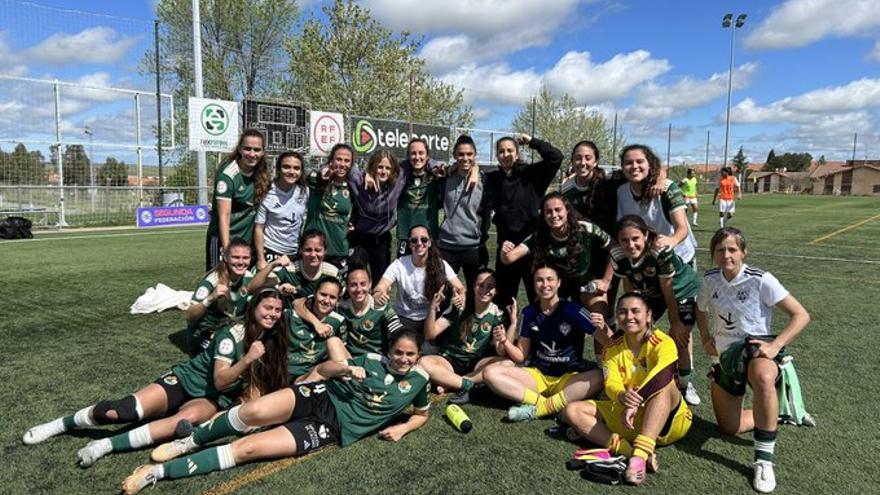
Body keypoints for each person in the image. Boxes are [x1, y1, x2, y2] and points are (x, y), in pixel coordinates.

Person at [122, 330, 431, 495]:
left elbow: (422, 414)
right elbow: (322, 370)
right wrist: (346, 367)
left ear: (418, 356)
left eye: (409, 354)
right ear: (390, 350)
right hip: (318, 395)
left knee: (248, 448)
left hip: (331, 427)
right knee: (252, 411)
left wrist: (403, 428)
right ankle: (188, 442)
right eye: (398, 352)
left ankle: (155, 474)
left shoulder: (420, 381)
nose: (402, 359)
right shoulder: (370, 360)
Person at [22, 289, 289, 467]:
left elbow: (228, 388)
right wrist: (248, 359)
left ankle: (104, 445)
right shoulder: (234, 335)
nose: (272, 314)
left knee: (181, 422)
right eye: (268, 308)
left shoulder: (271, 336)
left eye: (277, 310)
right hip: (186, 381)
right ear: (254, 307)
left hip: (212, 397)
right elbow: (221, 379)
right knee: (122, 412)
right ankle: (61, 424)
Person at [695, 228, 810, 493]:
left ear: (743, 252)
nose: (727, 255)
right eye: (720, 250)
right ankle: (778, 412)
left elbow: (801, 315)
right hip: (726, 357)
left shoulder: (761, 279)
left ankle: (763, 460)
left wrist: (776, 345)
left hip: (756, 349)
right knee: (729, 427)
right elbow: (700, 309)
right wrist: (704, 336)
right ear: (713, 254)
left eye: (732, 249)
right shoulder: (710, 279)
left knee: (763, 377)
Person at [562, 292, 693, 486]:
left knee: (666, 386)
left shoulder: (663, 342)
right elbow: (611, 384)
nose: (629, 316)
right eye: (622, 312)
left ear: (648, 315)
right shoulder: (611, 349)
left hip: (668, 423)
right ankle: (629, 451)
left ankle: (638, 458)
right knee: (572, 411)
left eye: (635, 311)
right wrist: (622, 395)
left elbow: (663, 374)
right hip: (628, 420)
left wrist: (636, 399)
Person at [482, 265, 607, 422]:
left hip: (568, 379)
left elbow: (607, 341)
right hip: (538, 377)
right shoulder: (528, 313)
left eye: (550, 279)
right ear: (534, 284)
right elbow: (521, 356)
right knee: (490, 373)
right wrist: (505, 342)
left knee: (599, 376)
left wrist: (605, 327)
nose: (545, 284)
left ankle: (539, 408)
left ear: (559, 282)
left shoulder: (574, 310)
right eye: (539, 280)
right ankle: (546, 406)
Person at [611, 215, 702, 406]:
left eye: (635, 238)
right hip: (652, 291)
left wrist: (676, 322)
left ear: (645, 235)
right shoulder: (618, 256)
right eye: (624, 240)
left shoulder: (660, 252)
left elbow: (668, 290)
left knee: (680, 337)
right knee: (637, 332)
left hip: (680, 289)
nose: (631, 244)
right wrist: (633, 315)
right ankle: (641, 375)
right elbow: (629, 284)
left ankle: (685, 384)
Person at [501, 193, 612, 317]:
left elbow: (614, 248)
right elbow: (509, 258)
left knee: (599, 316)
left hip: (586, 281)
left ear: (567, 210)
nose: (554, 215)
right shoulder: (540, 235)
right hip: (558, 285)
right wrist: (505, 250)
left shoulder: (586, 229)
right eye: (548, 212)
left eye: (558, 210)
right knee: (542, 315)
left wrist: (606, 280)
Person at [483, 134, 562, 305]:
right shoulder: (492, 178)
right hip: (506, 246)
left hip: (531, 245)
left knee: (537, 296)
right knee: (503, 298)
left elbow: (556, 157)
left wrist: (533, 142)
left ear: (517, 154)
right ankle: (505, 330)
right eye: (501, 151)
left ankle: (537, 331)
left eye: (510, 150)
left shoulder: (531, 174)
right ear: (496, 155)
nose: (506, 154)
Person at [420, 269, 518, 404]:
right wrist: (432, 308)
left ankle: (451, 382)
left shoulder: (497, 314)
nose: (484, 290)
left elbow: (500, 351)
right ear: (473, 287)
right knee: (423, 363)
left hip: (475, 365)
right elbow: (430, 334)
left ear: (496, 291)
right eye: (480, 285)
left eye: (490, 287)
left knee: (508, 363)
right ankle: (468, 385)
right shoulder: (460, 305)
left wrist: (512, 327)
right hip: (449, 360)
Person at [374, 225, 465, 334]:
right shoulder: (399, 264)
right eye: (414, 240)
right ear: (409, 244)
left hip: (431, 317)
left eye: (424, 239)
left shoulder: (440, 264)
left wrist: (461, 296)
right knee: (402, 344)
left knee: (439, 343)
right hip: (404, 317)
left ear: (430, 243)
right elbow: (381, 286)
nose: (419, 243)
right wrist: (379, 294)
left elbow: (460, 288)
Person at [617, 144, 697, 268]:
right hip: (647, 261)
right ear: (622, 167)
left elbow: (682, 228)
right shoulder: (621, 191)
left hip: (679, 258)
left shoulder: (667, 188)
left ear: (650, 164)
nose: (634, 166)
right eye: (628, 162)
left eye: (640, 161)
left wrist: (672, 240)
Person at [205, 129, 272, 271]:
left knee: (246, 286)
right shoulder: (228, 175)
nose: (252, 154)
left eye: (257, 150)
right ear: (240, 149)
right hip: (224, 239)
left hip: (247, 242)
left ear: (263, 152)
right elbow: (224, 215)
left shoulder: (262, 173)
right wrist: (227, 248)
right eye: (247, 149)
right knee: (220, 283)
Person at [303, 266, 402, 359]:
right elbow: (298, 303)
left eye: (363, 284)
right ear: (347, 286)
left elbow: (399, 332)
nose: (359, 289)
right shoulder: (340, 305)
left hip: (376, 360)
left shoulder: (381, 307)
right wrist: (316, 324)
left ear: (370, 284)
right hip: (350, 359)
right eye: (353, 285)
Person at [186, 237, 256, 355]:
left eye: (245, 258)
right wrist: (210, 298)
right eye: (235, 257)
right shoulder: (212, 281)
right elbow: (189, 316)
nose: (241, 262)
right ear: (226, 258)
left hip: (232, 329)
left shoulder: (249, 277)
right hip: (206, 334)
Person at [438, 134, 487, 293]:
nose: (465, 158)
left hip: (473, 247)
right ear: (454, 156)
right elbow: (426, 167)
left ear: (475, 155)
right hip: (447, 246)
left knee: (477, 295)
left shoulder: (485, 179)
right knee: (442, 294)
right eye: (460, 154)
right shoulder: (445, 177)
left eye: (469, 154)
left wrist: (476, 169)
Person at [247, 229, 339, 301]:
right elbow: (251, 288)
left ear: (325, 251)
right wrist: (272, 265)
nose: (313, 255)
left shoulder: (333, 273)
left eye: (318, 250)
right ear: (301, 251)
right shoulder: (289, 270)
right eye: (308, 250)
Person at [254, 151, 309, 270]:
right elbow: (259, 228)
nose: (291, 172)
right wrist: (261, 259)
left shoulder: (304, 191)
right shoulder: (267, 192)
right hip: (271, 250)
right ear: (278, 169)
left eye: (296, 168)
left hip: (294, 253)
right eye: (286, 167)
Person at [304, 143, 355, 270]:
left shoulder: (353, 187)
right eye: (338, 159)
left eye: (347, 161)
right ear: (331, 161)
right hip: (313, 251)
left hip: (338, 251)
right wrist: (322, 175)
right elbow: (303, 172)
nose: (342, 164)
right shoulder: (317, 181)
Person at [285, 277, 345, 382]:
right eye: (323, 294)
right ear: (315, 293)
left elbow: (340, 354)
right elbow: (297, 302)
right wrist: (317, 324)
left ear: (338, 300)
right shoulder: (291, 315)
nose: (326, 300)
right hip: (282, 371)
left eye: (332, 297)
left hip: (309, 376)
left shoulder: (338, 321)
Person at [396, 138, 444, 257]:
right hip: (405, 236)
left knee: (430, 273)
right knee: (404, 274)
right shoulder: (400, 178)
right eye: (413, 153)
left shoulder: (437, 176)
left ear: (428, 156)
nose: (417, 157)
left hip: (429, 237)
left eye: (421, 153)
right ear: (408, 156)